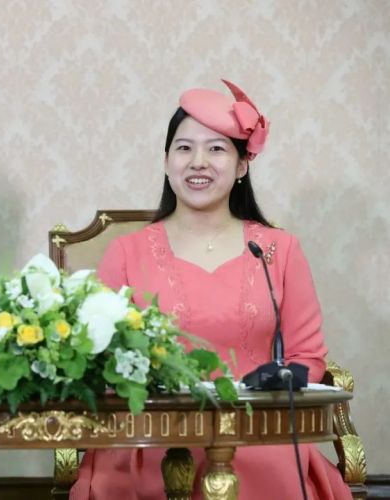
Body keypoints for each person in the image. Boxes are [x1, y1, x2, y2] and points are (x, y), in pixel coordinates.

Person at [70, 80, 351, 499]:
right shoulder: (126, 253)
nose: (198, 162)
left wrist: (276, 382)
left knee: (270, 466)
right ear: (167, 161)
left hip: (256, 432)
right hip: (150, 434)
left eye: (216, 149)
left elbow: (307, 357)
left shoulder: (278, 250)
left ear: (242, 165)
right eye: (184, 148)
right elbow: (97, 361)